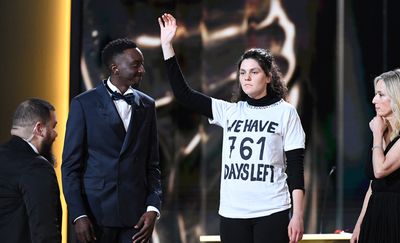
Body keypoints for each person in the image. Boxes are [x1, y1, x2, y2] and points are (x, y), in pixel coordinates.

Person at [159, 13, 306, 243]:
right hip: (232, 213)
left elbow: (296, 168)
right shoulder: (229, 111)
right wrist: (167, 46)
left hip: (272, 211)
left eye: (254, 72)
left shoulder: (285, 112)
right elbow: (183, 94)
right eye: (242, 73)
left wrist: (297, 215)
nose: (246, 78)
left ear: (268, 77)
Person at [62, 38, 162, 243]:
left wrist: (153, 208)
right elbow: (71, 167)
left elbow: (153, 166)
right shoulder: (83, 104)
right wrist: (78, 215)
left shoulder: (148, 105)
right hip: (95, 217)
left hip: (136, 220)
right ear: (115, 68)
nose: (142, 70)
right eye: (136, 65)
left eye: (142, 64)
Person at [351, 69, 400, 243]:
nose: (374, 100)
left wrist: (377, 135)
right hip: (376, 214)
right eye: (375, 95)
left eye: (380, 95)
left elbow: (380, 170)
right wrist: (360, 222)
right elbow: (374, 185)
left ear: (398, 98)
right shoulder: (384, 133)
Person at [0, 98, 61, 243]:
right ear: (39, 129)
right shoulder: (37, 167)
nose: (55, 134)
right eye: (53, 127)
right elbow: (45, 233)